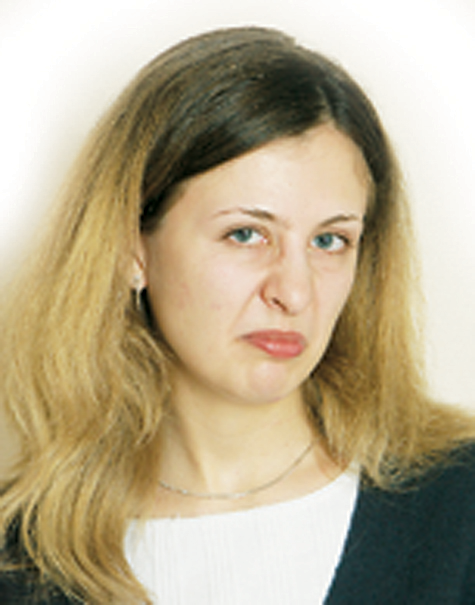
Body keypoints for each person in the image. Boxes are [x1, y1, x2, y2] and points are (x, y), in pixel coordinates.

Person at [1, 26, 475, 605]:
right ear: (131, 249)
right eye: (246, 234)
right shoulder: (20, 561)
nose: (294, 293)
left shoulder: (460, 508)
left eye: (329, 241)